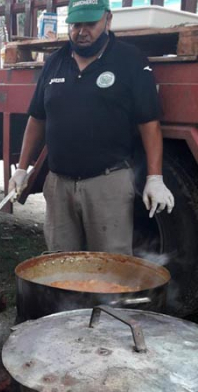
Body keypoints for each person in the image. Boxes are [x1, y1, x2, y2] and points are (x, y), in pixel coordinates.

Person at [9, 0, 174, 255]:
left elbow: (149, 123)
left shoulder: (129, 59)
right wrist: (21, 169)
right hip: (59, 185)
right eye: (76, 25)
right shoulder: (55, 62)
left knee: (109, 265)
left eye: (90, 24)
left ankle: (107, 297)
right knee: (60, 262)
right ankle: (66, 297)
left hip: (108, 183)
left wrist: (155, 178)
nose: (81, 31)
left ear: (108, 20)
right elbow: (37, 119)